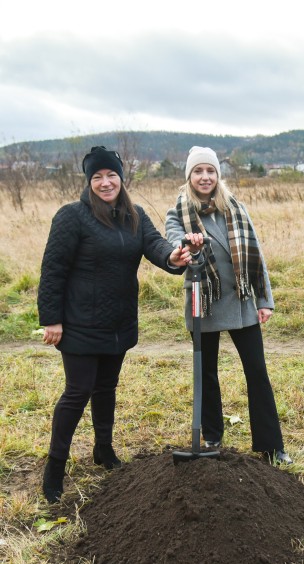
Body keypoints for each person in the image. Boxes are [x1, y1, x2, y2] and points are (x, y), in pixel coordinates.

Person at [38, 146, 195, 504]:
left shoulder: (135, 216)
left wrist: (173, 256)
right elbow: (53, 270)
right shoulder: (72, 217)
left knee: (106, 387)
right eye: (97, 177)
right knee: (77, 392)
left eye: (111, 175)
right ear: (89, 181)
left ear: (121, 179)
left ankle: (103, 450)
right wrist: (51, 319)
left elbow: (156, 246)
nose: (105, 182)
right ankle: (54, 469)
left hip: (118, 321)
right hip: (79, 323)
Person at [165, 146, 292, 464]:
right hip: (202, 302)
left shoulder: (235, 208)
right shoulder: (179, 212)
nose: (204, 177)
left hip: (242, 300)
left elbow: (256, 256)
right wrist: (184, 246)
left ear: (217, 176)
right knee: (205, 372)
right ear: (189, 176)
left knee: (257, 372)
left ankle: (271, 447)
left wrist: (265, 301)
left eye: (210, 171)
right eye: (198, 171)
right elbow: (172, 243)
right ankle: (211, 436)